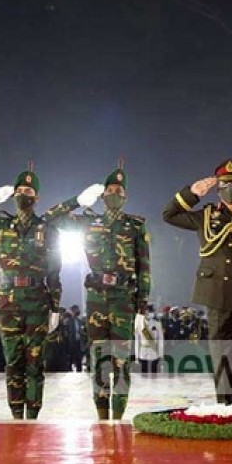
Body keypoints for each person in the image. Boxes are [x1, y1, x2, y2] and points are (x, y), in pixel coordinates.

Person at [0, 164, 68, 419]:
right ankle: (16, 415)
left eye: (28, 190)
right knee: (12, 362)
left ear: (36, 197)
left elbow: (54, 272)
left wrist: (55, 307)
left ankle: (33, 415)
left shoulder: (48, 230)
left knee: (35, 363)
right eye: (19, 190)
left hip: (37, 302)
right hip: (8, 301)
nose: (22, 194)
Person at [163, 159, 232, 406]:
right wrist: (192, 193)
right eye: (225, 183)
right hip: (216, 296)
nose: (230, 187)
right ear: (218, 188)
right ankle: (224, 409)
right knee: (222, 358)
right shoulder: (205, 217)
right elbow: (169, 214)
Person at [49, 163, 152, 419]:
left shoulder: (135, 225)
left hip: (123, 298)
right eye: (110, 189)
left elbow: (145, 268)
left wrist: (141, 308)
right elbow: (51, 218)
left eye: (119, 189)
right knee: (98, 357)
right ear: (103, 195)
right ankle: (102, 414)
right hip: (96, 297)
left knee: (121, 360)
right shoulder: (88, 221)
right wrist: (78, 200)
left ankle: (118, 414)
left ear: (125, 195)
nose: (115, 193)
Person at [136, 304, 165, 375]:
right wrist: (137, 356)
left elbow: (160, 340)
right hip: (143, 351)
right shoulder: (139, 325)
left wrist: (161, 354)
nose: (149, 313)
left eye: (151, 311)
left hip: (154, 351)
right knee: (144, 375)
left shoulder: (157, 324)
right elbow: (137, 341)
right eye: (148, 311)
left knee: (154, 375)